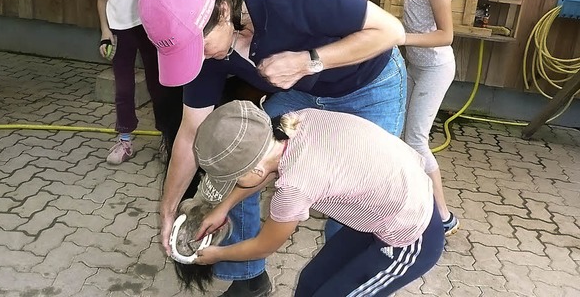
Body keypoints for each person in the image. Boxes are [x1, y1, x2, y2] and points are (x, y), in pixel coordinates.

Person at [138, 0, 407, 296]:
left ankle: (341, 286)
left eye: (199, 48)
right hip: (304, 94)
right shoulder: (207, 49)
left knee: (351, 203)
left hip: (368, 84)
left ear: (222, 10)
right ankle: (249, 278)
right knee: (238, 161)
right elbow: (191, 131)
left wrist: (308, 61)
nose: (199, 60)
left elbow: (391, 30)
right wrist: (168, 207)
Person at [190, 100, 444, 297]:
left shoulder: (294, 188)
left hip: (411, 236)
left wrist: (218, 254)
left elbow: (263, 247)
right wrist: (223, 208)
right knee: (312, 280)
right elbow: (264, 171)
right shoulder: (293, 122)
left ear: (253, 169)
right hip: (384, 210)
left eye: (233, 178)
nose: (232, 185)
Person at [343, 0, 466, 235]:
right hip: (415, 65)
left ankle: (443, 217)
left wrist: (400, 36)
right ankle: (401, 200)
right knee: (399, 132)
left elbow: (446, 35)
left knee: (416, 140)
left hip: (435, 69)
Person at [67, 0, 181, 165]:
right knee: (123, 87)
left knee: (158, 83)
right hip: (120, 29)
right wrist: (105, 32)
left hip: (149, 26)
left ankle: (167, 136)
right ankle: (125, 140)